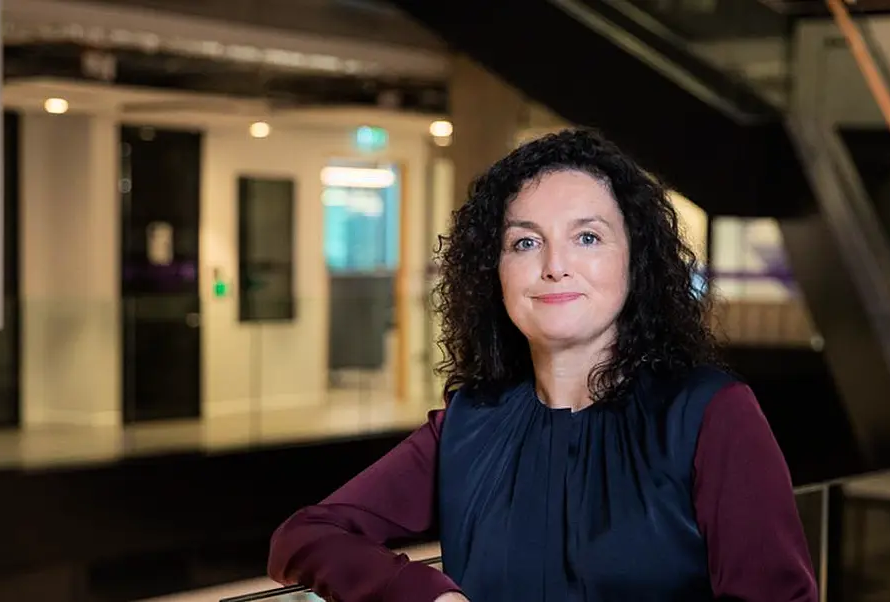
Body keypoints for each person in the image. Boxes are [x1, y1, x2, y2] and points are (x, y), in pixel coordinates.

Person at [267, 129, 818, 601]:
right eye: (526, 242)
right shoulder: (468, 423)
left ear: (636, 261)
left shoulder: (710, 415)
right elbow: (305, 535)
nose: (555, 266)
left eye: (587, 237)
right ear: (496, 271)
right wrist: (425, 595)